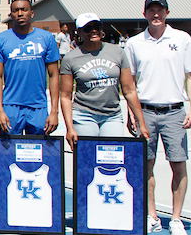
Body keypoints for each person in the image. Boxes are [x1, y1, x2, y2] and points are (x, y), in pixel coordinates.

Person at [124, 0, 191, 235]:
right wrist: (131, 113)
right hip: (145, 111)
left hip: (175, 112)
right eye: (151, 10)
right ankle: (153, 216)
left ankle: (176, 218)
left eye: (160, 10)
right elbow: (129, 83)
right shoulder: (134, 43)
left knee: (178, 165)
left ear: (167, 12)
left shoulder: (182, 39)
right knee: (146, 165)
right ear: (144, 13)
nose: (156, 14)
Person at [60, 12, 147, 149]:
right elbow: (65, 96)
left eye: (97, 27)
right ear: (80, 32)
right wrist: (69, 128)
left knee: (112, 160)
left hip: (112, 115)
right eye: (88, 28)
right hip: (84, 115)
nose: (94, 30)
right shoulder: (71, 58)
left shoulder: (117, 52)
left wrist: (141, 124)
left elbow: (129, 90)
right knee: (86, 160)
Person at [0, 0, 60, 136]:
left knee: (37, 154)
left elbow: (54, 75)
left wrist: (54, 112)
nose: (20, 13)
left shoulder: (46, 38)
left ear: (32, 13)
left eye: (24, 10)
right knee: (8, 154)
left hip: (38, 105)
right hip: (11, 105)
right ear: (11, 15)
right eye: (16, 10)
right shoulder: (1, 39)